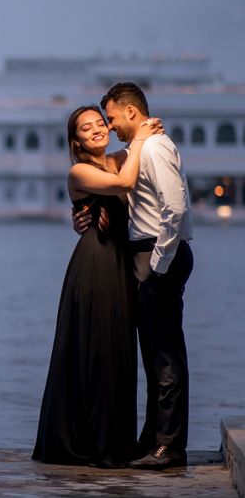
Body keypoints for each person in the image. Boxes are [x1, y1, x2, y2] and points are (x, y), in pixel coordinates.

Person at [33, 105, 163, 468]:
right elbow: (124, 185)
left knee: (117, 350)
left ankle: (117, 440)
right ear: (76, 141)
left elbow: (137, 146)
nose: (96, 130)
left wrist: (146, 131)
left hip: (119, 263)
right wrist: (139, 139)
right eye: (86, 128)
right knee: (95, 350)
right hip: (95, 265)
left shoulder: (117, 159)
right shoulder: (79, 171)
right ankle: (91, 443)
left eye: (100, 123)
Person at [73, 82, 194, 470]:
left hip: (157, 256)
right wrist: (84, 217)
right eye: (94, 123)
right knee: (153, 356)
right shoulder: (134, 150)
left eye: (108, 118)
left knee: (165, 356)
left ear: (130, 112)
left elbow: (175, 210)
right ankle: (153, 439)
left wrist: (158, 266)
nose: (107, 127)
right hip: (142, 256)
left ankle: (169, 446)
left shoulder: (154, 146)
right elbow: (115, 188)